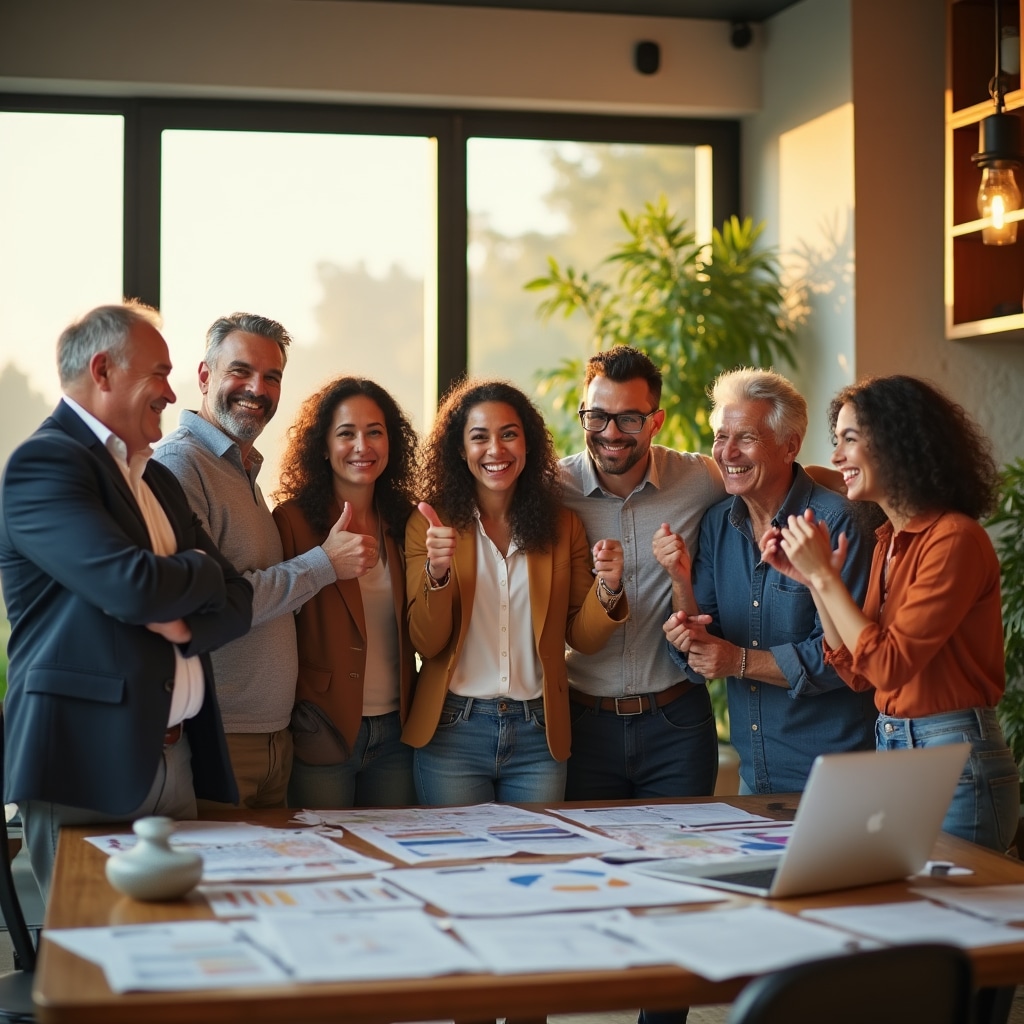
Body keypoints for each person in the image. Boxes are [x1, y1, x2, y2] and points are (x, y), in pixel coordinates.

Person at [0, 301, 250, 899]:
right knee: (96, 956)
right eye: (159, 372)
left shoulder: (156, 476)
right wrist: (195, 570)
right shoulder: (44, 464)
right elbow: (131, 587)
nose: (171, 390)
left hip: (177, 758)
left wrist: (185, 626)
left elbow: (237, 596)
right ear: (104, 370)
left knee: (179, 949)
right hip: (86, 760)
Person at [763, 374, 1019, 852]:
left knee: (958, 920)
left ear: (900, 442)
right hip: (897, 749)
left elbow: (887, 663)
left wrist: (825, 578)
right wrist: (815, 582)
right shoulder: (887, 542)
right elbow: (860, 673)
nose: (837, 456)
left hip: (954, 757)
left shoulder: (955, 539)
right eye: (835, 440)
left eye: (850, 440)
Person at [154, 313, 365, 810]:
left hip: (276, 737)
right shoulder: (180, 466)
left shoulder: (242, 468)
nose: (258, 388)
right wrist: (324, 564)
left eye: (272, 377)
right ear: (204, 376)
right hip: (221, 736)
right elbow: (213, 600)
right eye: (241, 371)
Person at [403, 378, 628, 805]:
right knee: (458, 866)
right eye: (479, 437)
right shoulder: (432, 525)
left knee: (535, 865)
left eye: (509, 434)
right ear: (460, 449)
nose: (496, 450)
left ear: (528, 444)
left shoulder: (562, 526)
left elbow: (581, 638)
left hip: (538, 737)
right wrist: (437, 571)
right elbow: (426, 641)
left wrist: (609, 589)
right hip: (453, 731)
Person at [658, 368, 878, 795]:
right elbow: (702, 650)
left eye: (746, 438)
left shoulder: (838, 524)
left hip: (835, 778)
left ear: (789, 446)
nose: (727, 452)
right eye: (721, 437)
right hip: (754, 779)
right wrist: (679, 583)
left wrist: (738, 661)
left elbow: (844, 658)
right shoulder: (718, 523)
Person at [559, 346, 724, 801]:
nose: (611, 433)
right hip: (581, 725)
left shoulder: (699, 479)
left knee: (683, 859)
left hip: (677, 724)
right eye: (597, 416)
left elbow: (768, 478)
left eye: (630, 418)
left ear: (657, 420)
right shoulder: (554, 490)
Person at [273, 377, 418, 807]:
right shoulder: (293, 521)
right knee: (327, 862)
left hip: (397, 732)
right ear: (323, 445)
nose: (362, 445)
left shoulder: (406, 520)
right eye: (346, 433)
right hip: (323, 729)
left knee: (392, 860)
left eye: (375, 431)